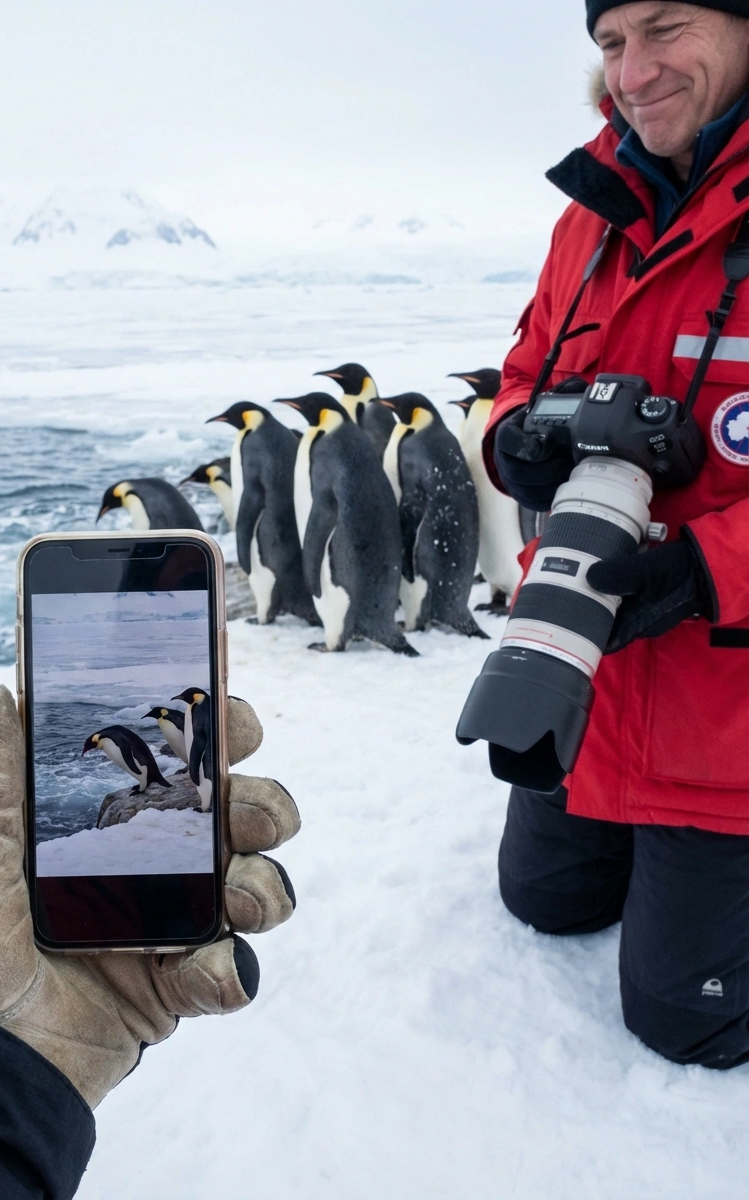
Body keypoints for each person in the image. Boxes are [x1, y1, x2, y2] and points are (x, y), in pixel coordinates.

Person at [483, 0, 749, 1068]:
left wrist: (697, 569)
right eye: (607, 43)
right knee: (542, 902)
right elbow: (518, 374)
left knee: (688, 1021)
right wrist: (519, 443)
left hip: (726, 704)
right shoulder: (591, 208)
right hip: (581, 670)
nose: (631, 72)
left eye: (662, 28)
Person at [0, 684, 300, 1199]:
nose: (90, 750)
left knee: (202, 757)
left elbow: (167, 750)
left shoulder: (170, 725)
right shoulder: (162, 726)